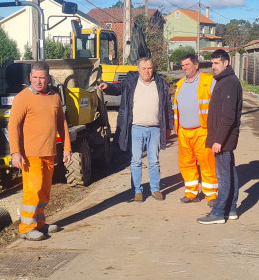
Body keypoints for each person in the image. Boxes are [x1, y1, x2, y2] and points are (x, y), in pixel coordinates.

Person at [8, 61, 72, 241]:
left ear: (48, 78)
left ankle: (40, 224)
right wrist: (15, 152)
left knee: (44, 192)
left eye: (41, 78)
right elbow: (13, 125)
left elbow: (62, 124)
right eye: (34, 77)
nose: (38, 81)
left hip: (49, 152)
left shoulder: (54, 97)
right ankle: (27, 228)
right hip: (30, 155)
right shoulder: (23, 98)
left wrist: (67, 148)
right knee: (33, 190)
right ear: (30, 77)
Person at [99, 57, 173, 202]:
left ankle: (155, 189)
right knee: (136, 160)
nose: (147, 71)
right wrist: (107, 87)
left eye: (149, 68)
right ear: (138, 69)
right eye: (144, 68)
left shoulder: (161, 83)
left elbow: (167, 107)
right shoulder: (131, 81)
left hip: (155, 128)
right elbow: (118, 88)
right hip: (136, 128)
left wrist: (170, 126)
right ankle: (137, 191)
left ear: (153, 69)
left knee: (154, 160)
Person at [197, 49, 242, 225]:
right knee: (230, 171)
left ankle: (218, 212)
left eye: (216, 63)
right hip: (222, 137)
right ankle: (230, 209)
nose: (213, 66)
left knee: (223, 176)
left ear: (226, 63)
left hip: (223, 139)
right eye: (212, 63)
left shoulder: (229, 82)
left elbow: (229, 116)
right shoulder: (224, 81)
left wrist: (218, 140)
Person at [173, 53, 217, 205]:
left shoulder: (209, 81)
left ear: (196, 65)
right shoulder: (179, 84)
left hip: (202, 130)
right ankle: (191, 193)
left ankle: (212, 196)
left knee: (206, 162)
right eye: (183, 65)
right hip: (184, 131)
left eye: (188, 65)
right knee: (186, 163)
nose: (185, 68)